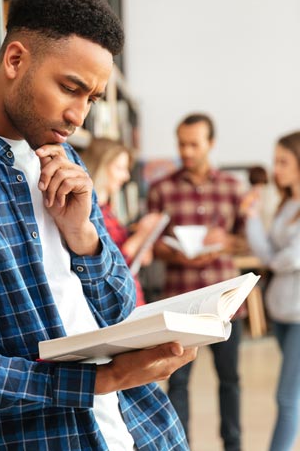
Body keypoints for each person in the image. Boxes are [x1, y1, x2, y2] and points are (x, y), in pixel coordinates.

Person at [0, 0, 196, 450]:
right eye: (70, 88)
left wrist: (83, 237)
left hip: (145, 431)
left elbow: (118, 309)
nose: (79, 115)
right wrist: (102, 380)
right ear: (15, 60)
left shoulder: (65, 161)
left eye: (91, 98)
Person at [147, 113, 246, 451]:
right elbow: (153, 245)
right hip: (181, 304)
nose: (186, 151)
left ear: (210, 144)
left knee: (230, 381)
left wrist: (226, 242)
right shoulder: (161, 190)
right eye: (181, 144)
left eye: (193, 144)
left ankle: (233, 445)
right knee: (178, 382)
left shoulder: (233, 187)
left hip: (227, 303)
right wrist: (178, 255)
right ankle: (180, 445)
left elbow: (245, 241)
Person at [243, 131, 300, 451]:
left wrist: (280, 260)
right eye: (275, 161)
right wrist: (252, 217)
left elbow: (290, 257)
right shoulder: (287, 203)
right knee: (295, 392)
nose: (275, 169)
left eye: (284, 162)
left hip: (299, 315)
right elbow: (269, 257)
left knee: (287, 397)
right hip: (281, 310)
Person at [80, 137, 164, 306]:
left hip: (130, 298)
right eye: (119, 168)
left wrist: (140, 246)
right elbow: (108, 269)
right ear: (101, 165)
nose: (126, 177)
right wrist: (141, 236)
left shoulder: (107, 210)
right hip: (116, 304)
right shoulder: (87, 213)